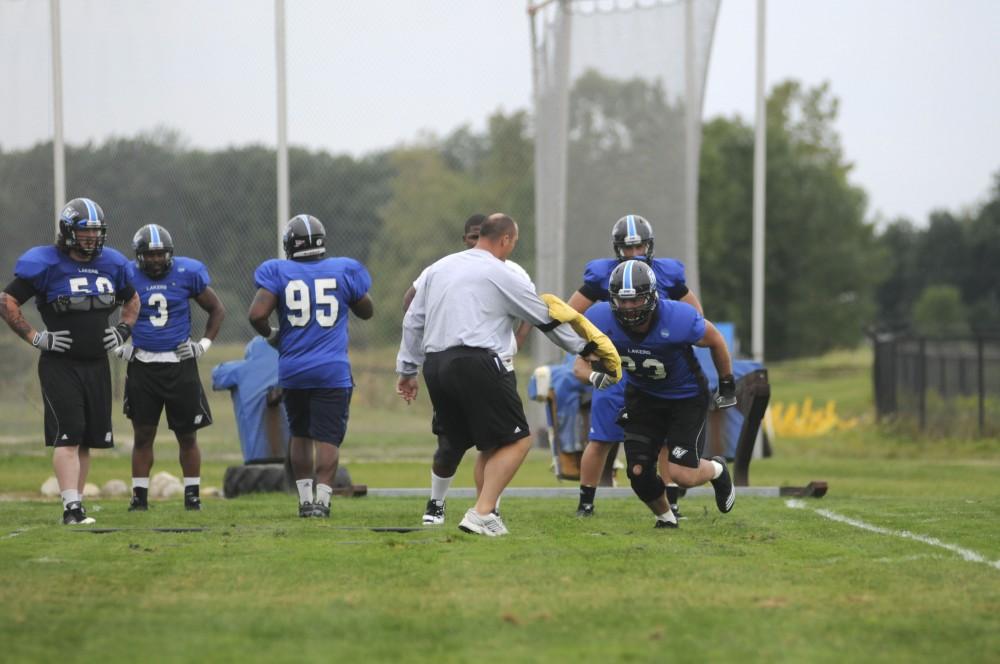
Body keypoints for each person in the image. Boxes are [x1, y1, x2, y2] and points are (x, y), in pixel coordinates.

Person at [396, 213, 620, 537]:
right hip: (478, 362)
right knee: (519, 440)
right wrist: (585, 350)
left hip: (435, 366)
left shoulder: (440, 267)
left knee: (486, 444)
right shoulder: (499, 272)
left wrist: (406, 370)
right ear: (504, 240)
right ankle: (482, 512)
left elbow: (413, 320)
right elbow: (545, 317)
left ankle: (482, 512)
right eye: (513, 242)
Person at [0, 197, 138, 525]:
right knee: (70, 433)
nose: (91, 238)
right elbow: (7, 301)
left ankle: (77, 505)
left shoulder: (113, 263)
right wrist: (36, 336)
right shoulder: (45, 263)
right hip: (60, 363)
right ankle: (71, 508)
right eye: (84, 231)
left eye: (96, 232)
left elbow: (132, 299)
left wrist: (123, 330)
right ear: (67, 231)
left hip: (96, 363)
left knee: (87, 439)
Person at [576, 259, 737, 529]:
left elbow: (716, 340)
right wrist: (595, 375)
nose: (628, 308)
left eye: (635, 300)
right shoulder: (600, 318)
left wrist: (727, 382)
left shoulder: (678, 317)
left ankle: (717, 470)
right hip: (643, 395)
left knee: (682, 474)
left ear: (651, 296)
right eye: (622, 301)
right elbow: (580, 364)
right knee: (638, 472)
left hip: (685, 397)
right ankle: (666, 517)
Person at [567, 214, 704, 519]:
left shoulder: (668, 273)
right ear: (617, 248)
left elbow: (696, 316)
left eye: (639, 246)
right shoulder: (603, 275)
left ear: (649, 245)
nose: (634, 253)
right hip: (621, 366)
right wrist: (594, 349)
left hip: (658, 369)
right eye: (627, 248)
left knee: (666, 438)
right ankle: (586, 501)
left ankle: (671, 500)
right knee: (602, 435)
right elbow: (570, 315)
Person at [403, 214, 533, 526]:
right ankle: (442, 505)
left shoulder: (511, 270)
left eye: (481, 236)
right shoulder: (446, 267)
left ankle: (486, 509)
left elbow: (533, 309)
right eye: (472, 237)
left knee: (495, 442)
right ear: (466, 240)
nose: (477, 243)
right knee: (452, 444)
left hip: (494, 363)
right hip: (461, 360)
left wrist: (515, 342)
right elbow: (412, 303)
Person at [248, 214, 373, 518]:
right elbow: (367, 311)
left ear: (289, 244)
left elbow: (256, 315)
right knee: (327, 438)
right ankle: (324, 502)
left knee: (301, 435)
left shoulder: (278, 271)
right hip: (332, 369)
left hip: (294, 369)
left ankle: (305, 501)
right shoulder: (343, 269)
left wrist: (273, 335)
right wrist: (349, 295)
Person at [115, 224, 225, 512]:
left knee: (188, 436)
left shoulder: (188, 273)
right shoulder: (125, 274)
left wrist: (203, 345)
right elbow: (101, 306)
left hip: (179, 365)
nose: (155, 260)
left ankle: (192, 496)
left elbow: (216, 309)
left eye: (160, 254)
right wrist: (118, 340)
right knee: (142, 436)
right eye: (149, 255)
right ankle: (139, 498)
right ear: (139, 256)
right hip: (142, 365)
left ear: (170, 254)